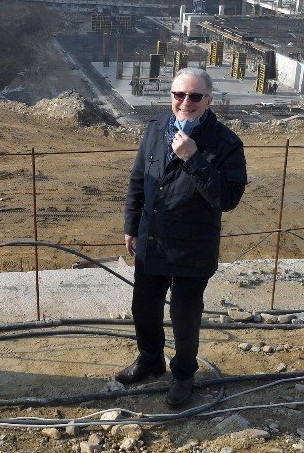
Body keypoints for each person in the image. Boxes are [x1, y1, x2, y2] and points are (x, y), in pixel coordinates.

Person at [117, 68, 248, 409]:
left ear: (208, 99)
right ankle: (150, 360)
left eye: (194, 96)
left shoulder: (226, 143)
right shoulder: (157, 129)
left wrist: (194, 158)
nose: (184, 102)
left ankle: (184, 375)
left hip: (193, 247)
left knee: (184, 316)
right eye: (178, 95)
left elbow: (229, 198)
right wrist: (131, 225)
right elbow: (138, 180)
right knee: (143, 308)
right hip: (153, 239)